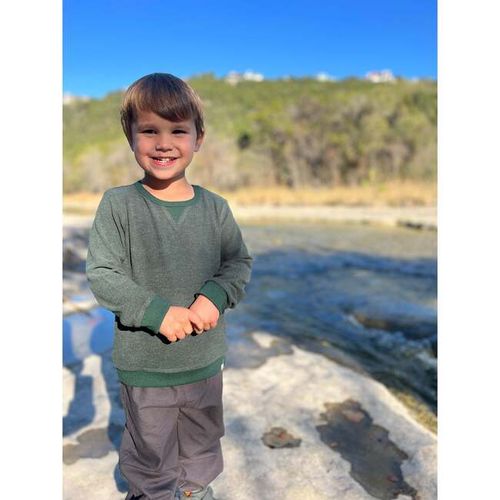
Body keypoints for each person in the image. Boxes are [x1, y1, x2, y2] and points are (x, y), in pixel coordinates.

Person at [86, 73, 253, 500]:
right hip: (146, 367)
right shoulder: (118, 204)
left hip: (204, 361)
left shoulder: (215, 208)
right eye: (149, 131)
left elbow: (238, 262)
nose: (164, 143)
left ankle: (193, 491)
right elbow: (103, 273)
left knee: (202, 444)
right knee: (151, 454)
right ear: (130, 136)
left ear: (199, 138)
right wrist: (157, 313)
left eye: (178, 130)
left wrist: (215, 296)